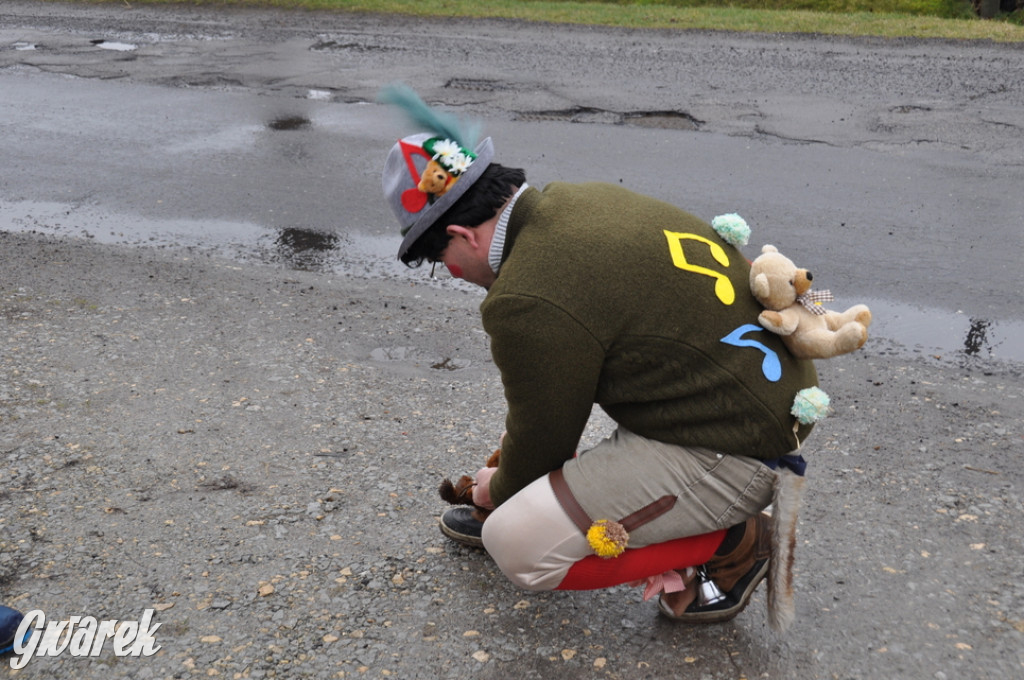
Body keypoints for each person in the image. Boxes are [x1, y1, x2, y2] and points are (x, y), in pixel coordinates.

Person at [380, 114, 818, 623]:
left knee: (517, 544)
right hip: (764, 402)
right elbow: (550, 405)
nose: (451, 275)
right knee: (533, 490)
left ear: (462, 234)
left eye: (441, 261)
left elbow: (544, 437)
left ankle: (736, 541)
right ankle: (704, 521)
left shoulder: (526, 294)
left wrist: (495, 493)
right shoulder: (576, 201)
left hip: (740, 448)